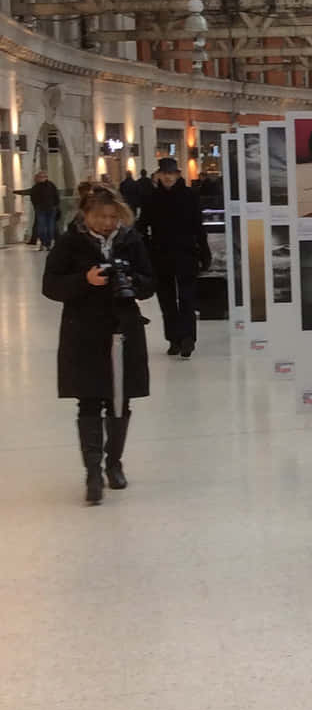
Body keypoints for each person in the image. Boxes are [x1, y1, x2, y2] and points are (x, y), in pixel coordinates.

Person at [42, 184, 154, 505]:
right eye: (101, 216)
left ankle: (113, 464)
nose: (107, 222)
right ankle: (92, 472)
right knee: (89, 399)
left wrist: (132, 282)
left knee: (120, 399)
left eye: (112, 216)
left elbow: (150, 282)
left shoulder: (131, 241)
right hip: (84, 332)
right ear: (86, 215)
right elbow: (50, 286)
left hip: (123, 330)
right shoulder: (69, 243)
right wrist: (84, 280)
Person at [138, 155, 210, 358]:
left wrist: (204, 251)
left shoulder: (189, 196)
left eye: (171, 173)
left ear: (177, 175)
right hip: (160, 255)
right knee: (167, 300)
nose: (168, 177)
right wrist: (144, 250)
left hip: (186, 253)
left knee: (186, 298)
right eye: (165, 174)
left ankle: (188, 338)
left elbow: (198, 226)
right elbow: (142, 226)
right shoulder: (151, 198)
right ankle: (173, 339)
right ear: (159, 175)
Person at [27, 169, 61, 250]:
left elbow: (56, 196)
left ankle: (47, 243)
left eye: (43, 177)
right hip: (41, 209)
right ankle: (44, 242)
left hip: (50, 209)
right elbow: (33, 198)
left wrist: (55, 205)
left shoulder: (50, 185)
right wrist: (37, 206)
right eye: (40, 177)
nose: (42, 178)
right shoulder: (36, 187)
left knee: (49, 227)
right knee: (42, 227)